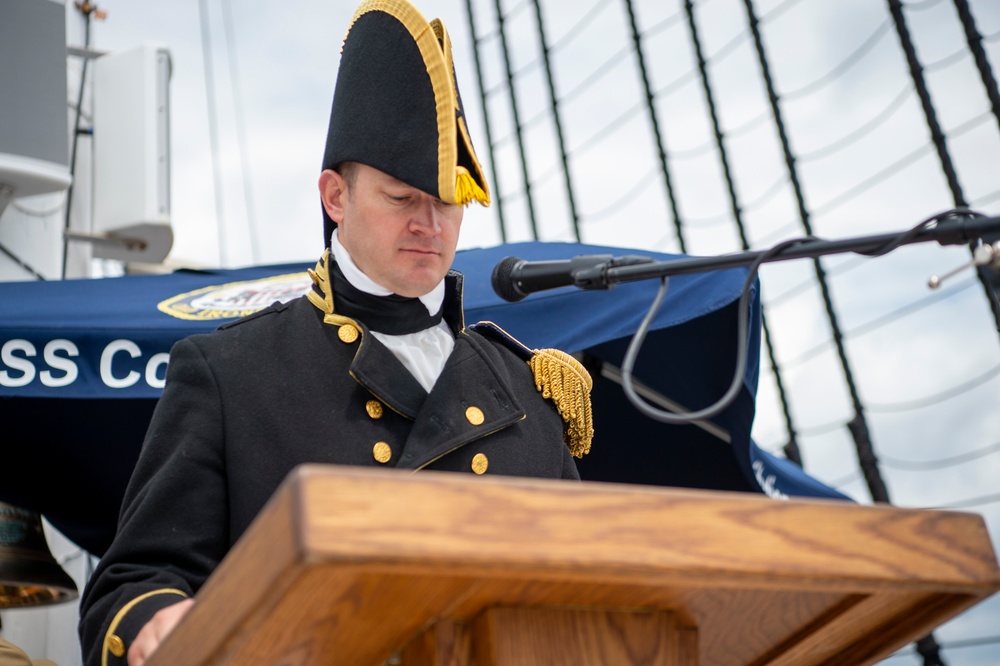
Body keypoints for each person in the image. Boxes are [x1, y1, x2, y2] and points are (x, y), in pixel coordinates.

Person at [76, 1, 593, 665]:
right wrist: (158, 620)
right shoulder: (231, 373)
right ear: (335, 197)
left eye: (447, 202)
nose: (429, 224)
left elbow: (582, 602)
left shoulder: (528, 394)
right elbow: (132, 584)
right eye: (402, 197)